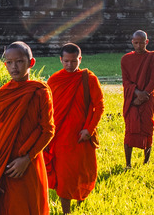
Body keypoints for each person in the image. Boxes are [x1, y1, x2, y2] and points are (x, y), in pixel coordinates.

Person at [0, 41, 55, 215]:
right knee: (4, 206)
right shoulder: (2, 94)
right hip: (3, 161)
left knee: (27, 206)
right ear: (5, 64)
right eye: (9, 62)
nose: (14, 67)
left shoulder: (40, 91)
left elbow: (48, 130)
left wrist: (27, 158)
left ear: (31, 63)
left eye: (19, 62)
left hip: (27, 162)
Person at [44, 43, 104, 214]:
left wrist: (89, 129)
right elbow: (47, 109)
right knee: (64, 175)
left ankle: (80, 202)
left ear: (80, 59)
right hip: (60, 136)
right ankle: (66, 211)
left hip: (81, 135)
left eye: (74, 61)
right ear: (61, 60)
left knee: (82, 172)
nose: (70, 65)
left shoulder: (88, 79)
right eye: (66, 61)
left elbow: (99, 106)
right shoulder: (54, 80)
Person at [121, 30, 154, 168]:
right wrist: (138, 93)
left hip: (148, 98)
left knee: (147, 127)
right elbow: (125, 81)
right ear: (132, 42)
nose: (138, 46)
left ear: (147, 42)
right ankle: (128, 164)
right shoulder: (125, 59)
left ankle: (146, 161)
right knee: (130, 130)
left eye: (142, 43)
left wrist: (145, 94)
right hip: (132, 99)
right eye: (136, 43)